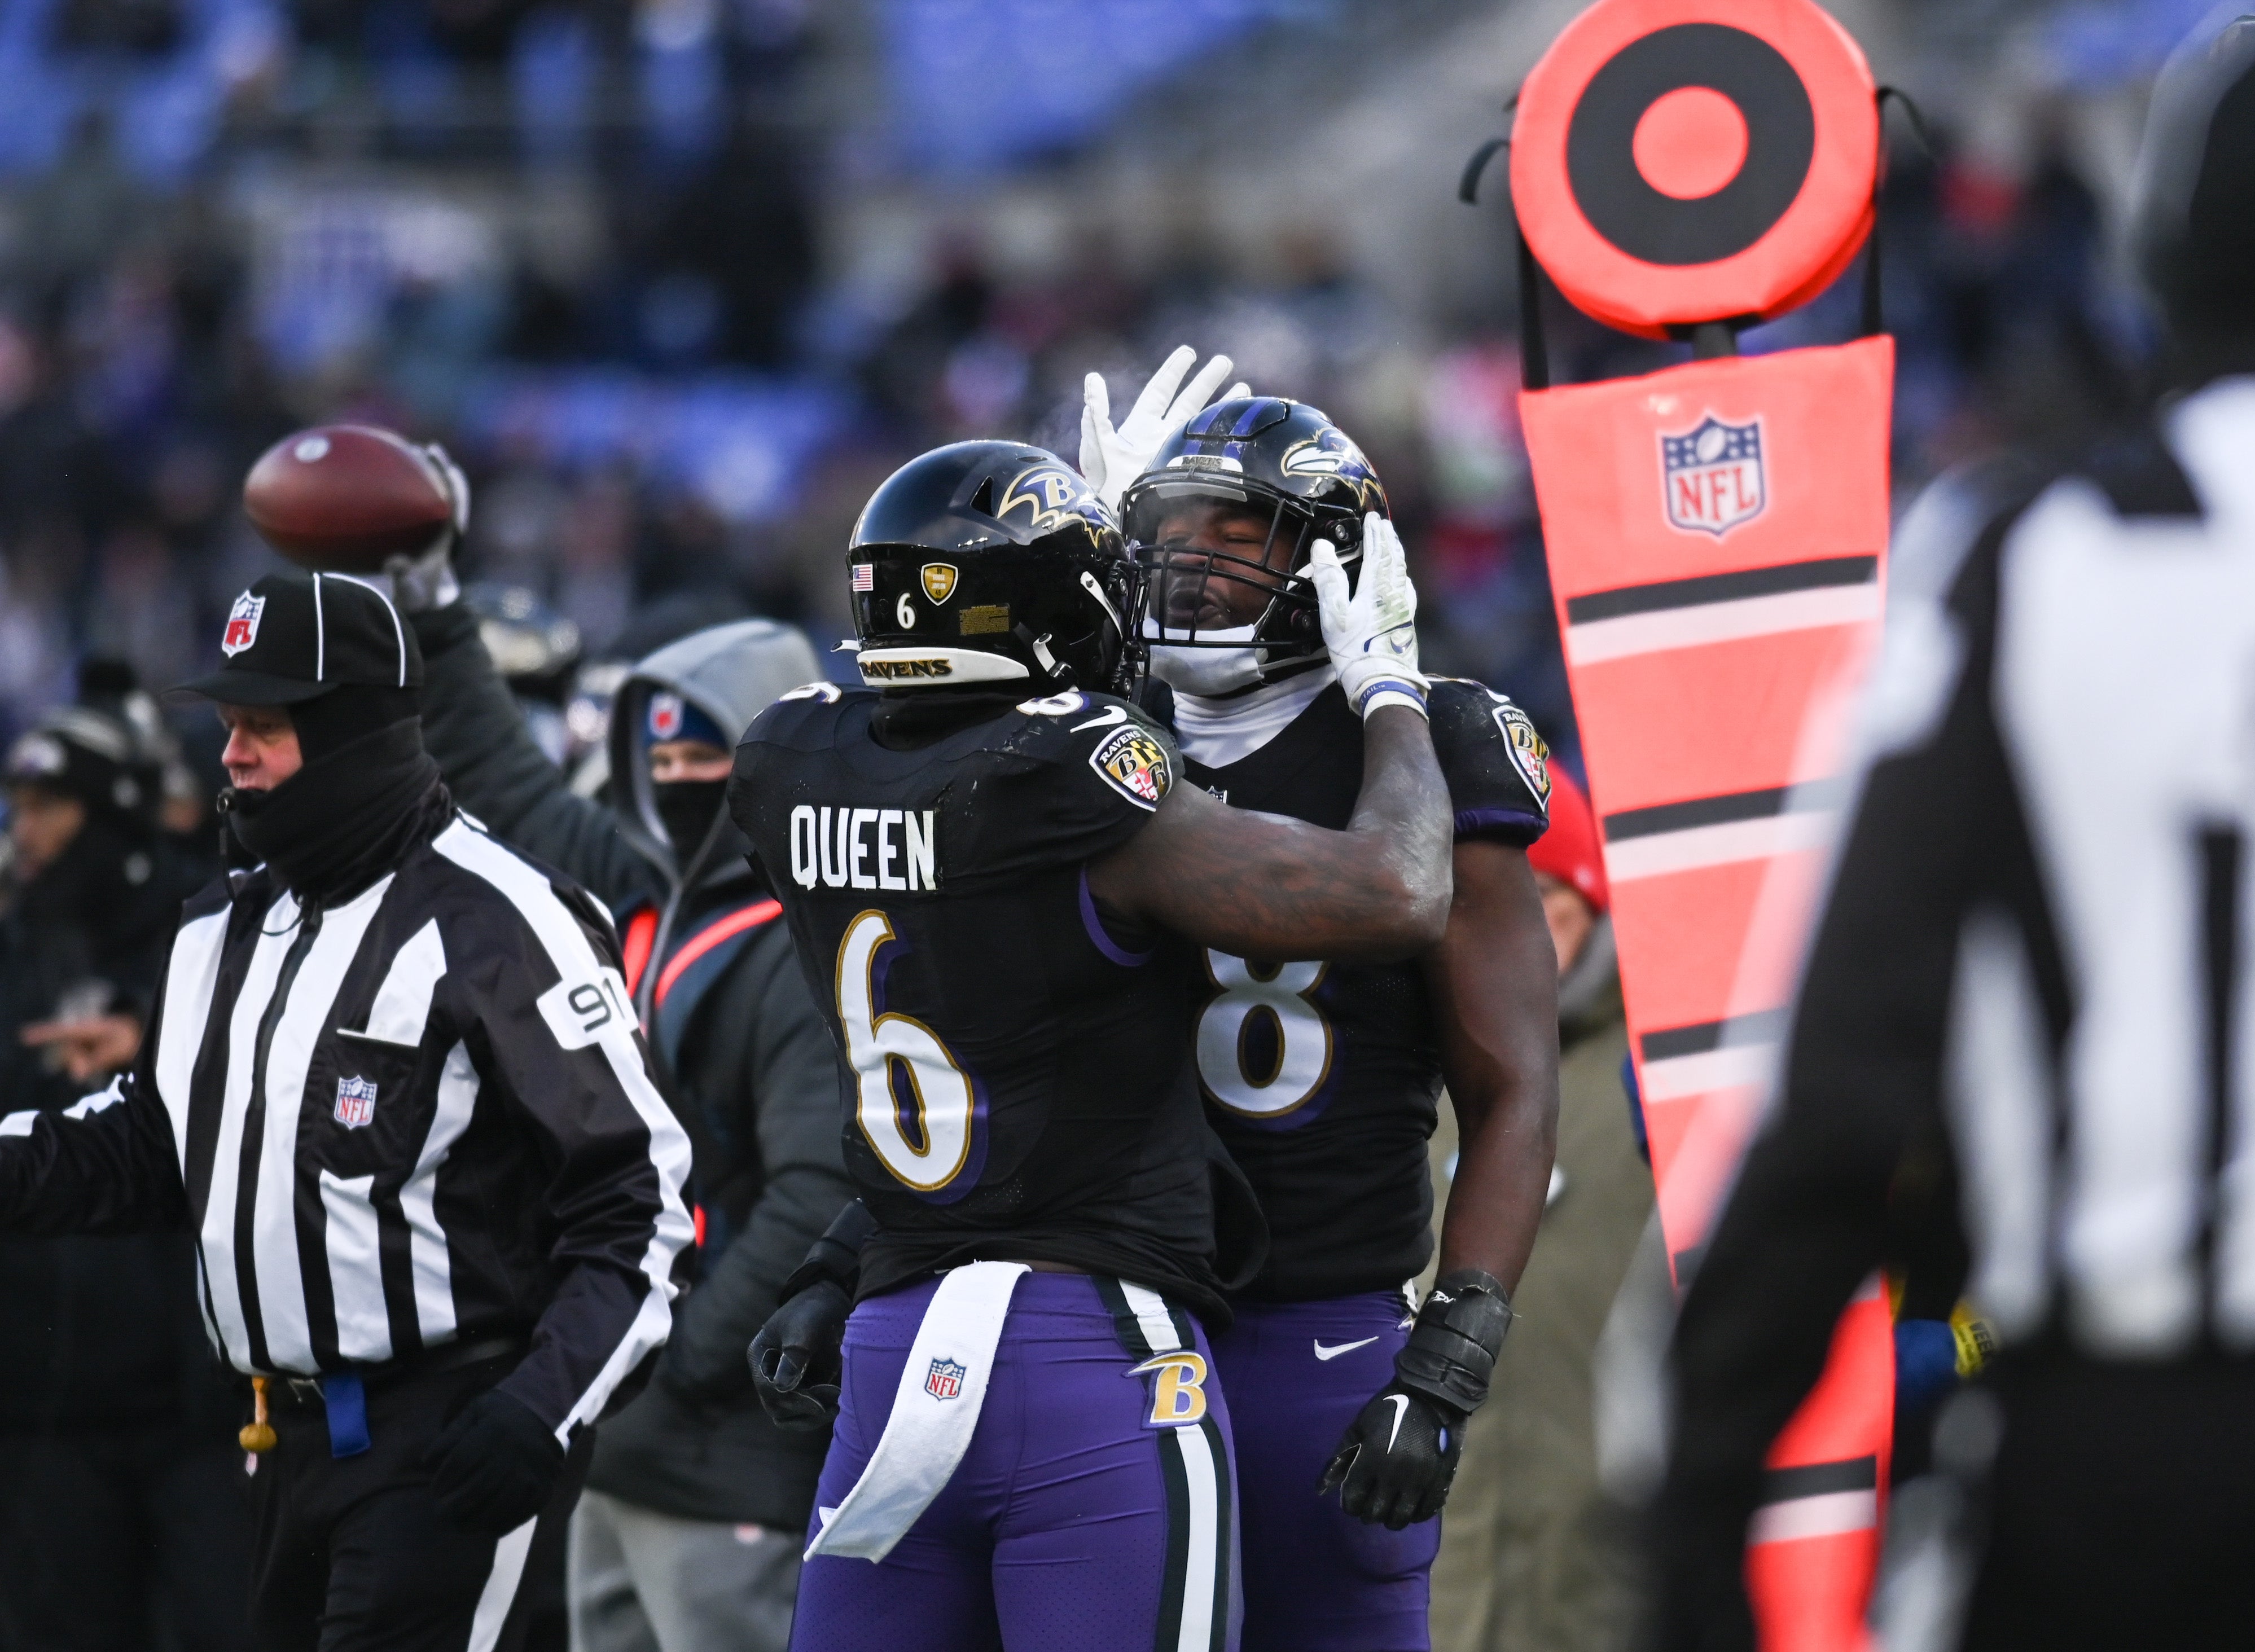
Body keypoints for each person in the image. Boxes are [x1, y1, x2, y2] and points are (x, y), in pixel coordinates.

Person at [1652, 12, 2255, 1651]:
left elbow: (1840, 1086)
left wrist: (1701, 1508)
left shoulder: (2028, 554)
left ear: (2156, 257)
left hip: (2126, 1464)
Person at [734, 438, 1453, 1651]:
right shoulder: (1066, 779)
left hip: (894, 1328)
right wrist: (1387, 688)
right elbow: (1393, 892)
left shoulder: (790, 754)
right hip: (1090, 1350)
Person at [0, 568, 693, 1652]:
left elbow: (638, 1202)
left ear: (358, 732)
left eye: (264, 728)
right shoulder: (218, 928)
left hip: (438, 1435)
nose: (231, 755)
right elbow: (152, 1142)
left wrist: (538, 1406)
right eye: (229, 724)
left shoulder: (504, 921)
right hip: (272, 1442)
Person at [1083, 362, 1560, 1652]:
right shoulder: (1085, 736)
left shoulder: (1430, 743)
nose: (1190, 572)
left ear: (1344, 566)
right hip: (1097, 1314)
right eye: (1166, 538)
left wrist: (1447, 1363)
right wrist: (1061, 582)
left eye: (1238, 540)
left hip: (1318, 1323)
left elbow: (1513, 1081)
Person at [396, 511, 857, 1652]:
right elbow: (507, 781)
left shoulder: (804, 949)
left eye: (709, 758)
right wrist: (435, 616)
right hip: (622, 1434)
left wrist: (678, 1354)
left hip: (725, 1448)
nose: (679, 781)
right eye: (661, 763)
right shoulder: (648, 886)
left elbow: (813, 1193)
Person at [0, 689, 252, 1652]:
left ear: (106, 810)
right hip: (39, 1405)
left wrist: (156, 1052)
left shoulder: (205, 933)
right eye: (19, 808)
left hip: (200, 1400)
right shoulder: (13, 940)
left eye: (49, 807)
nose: (26, 831)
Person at [1429, 761, 1649, 1652]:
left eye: (1541, 908)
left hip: (1609, 1588)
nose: (1513, 942)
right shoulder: (1411, 1082)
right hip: (1437, 1595)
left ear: (1587, 911)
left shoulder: (1656, 1084)